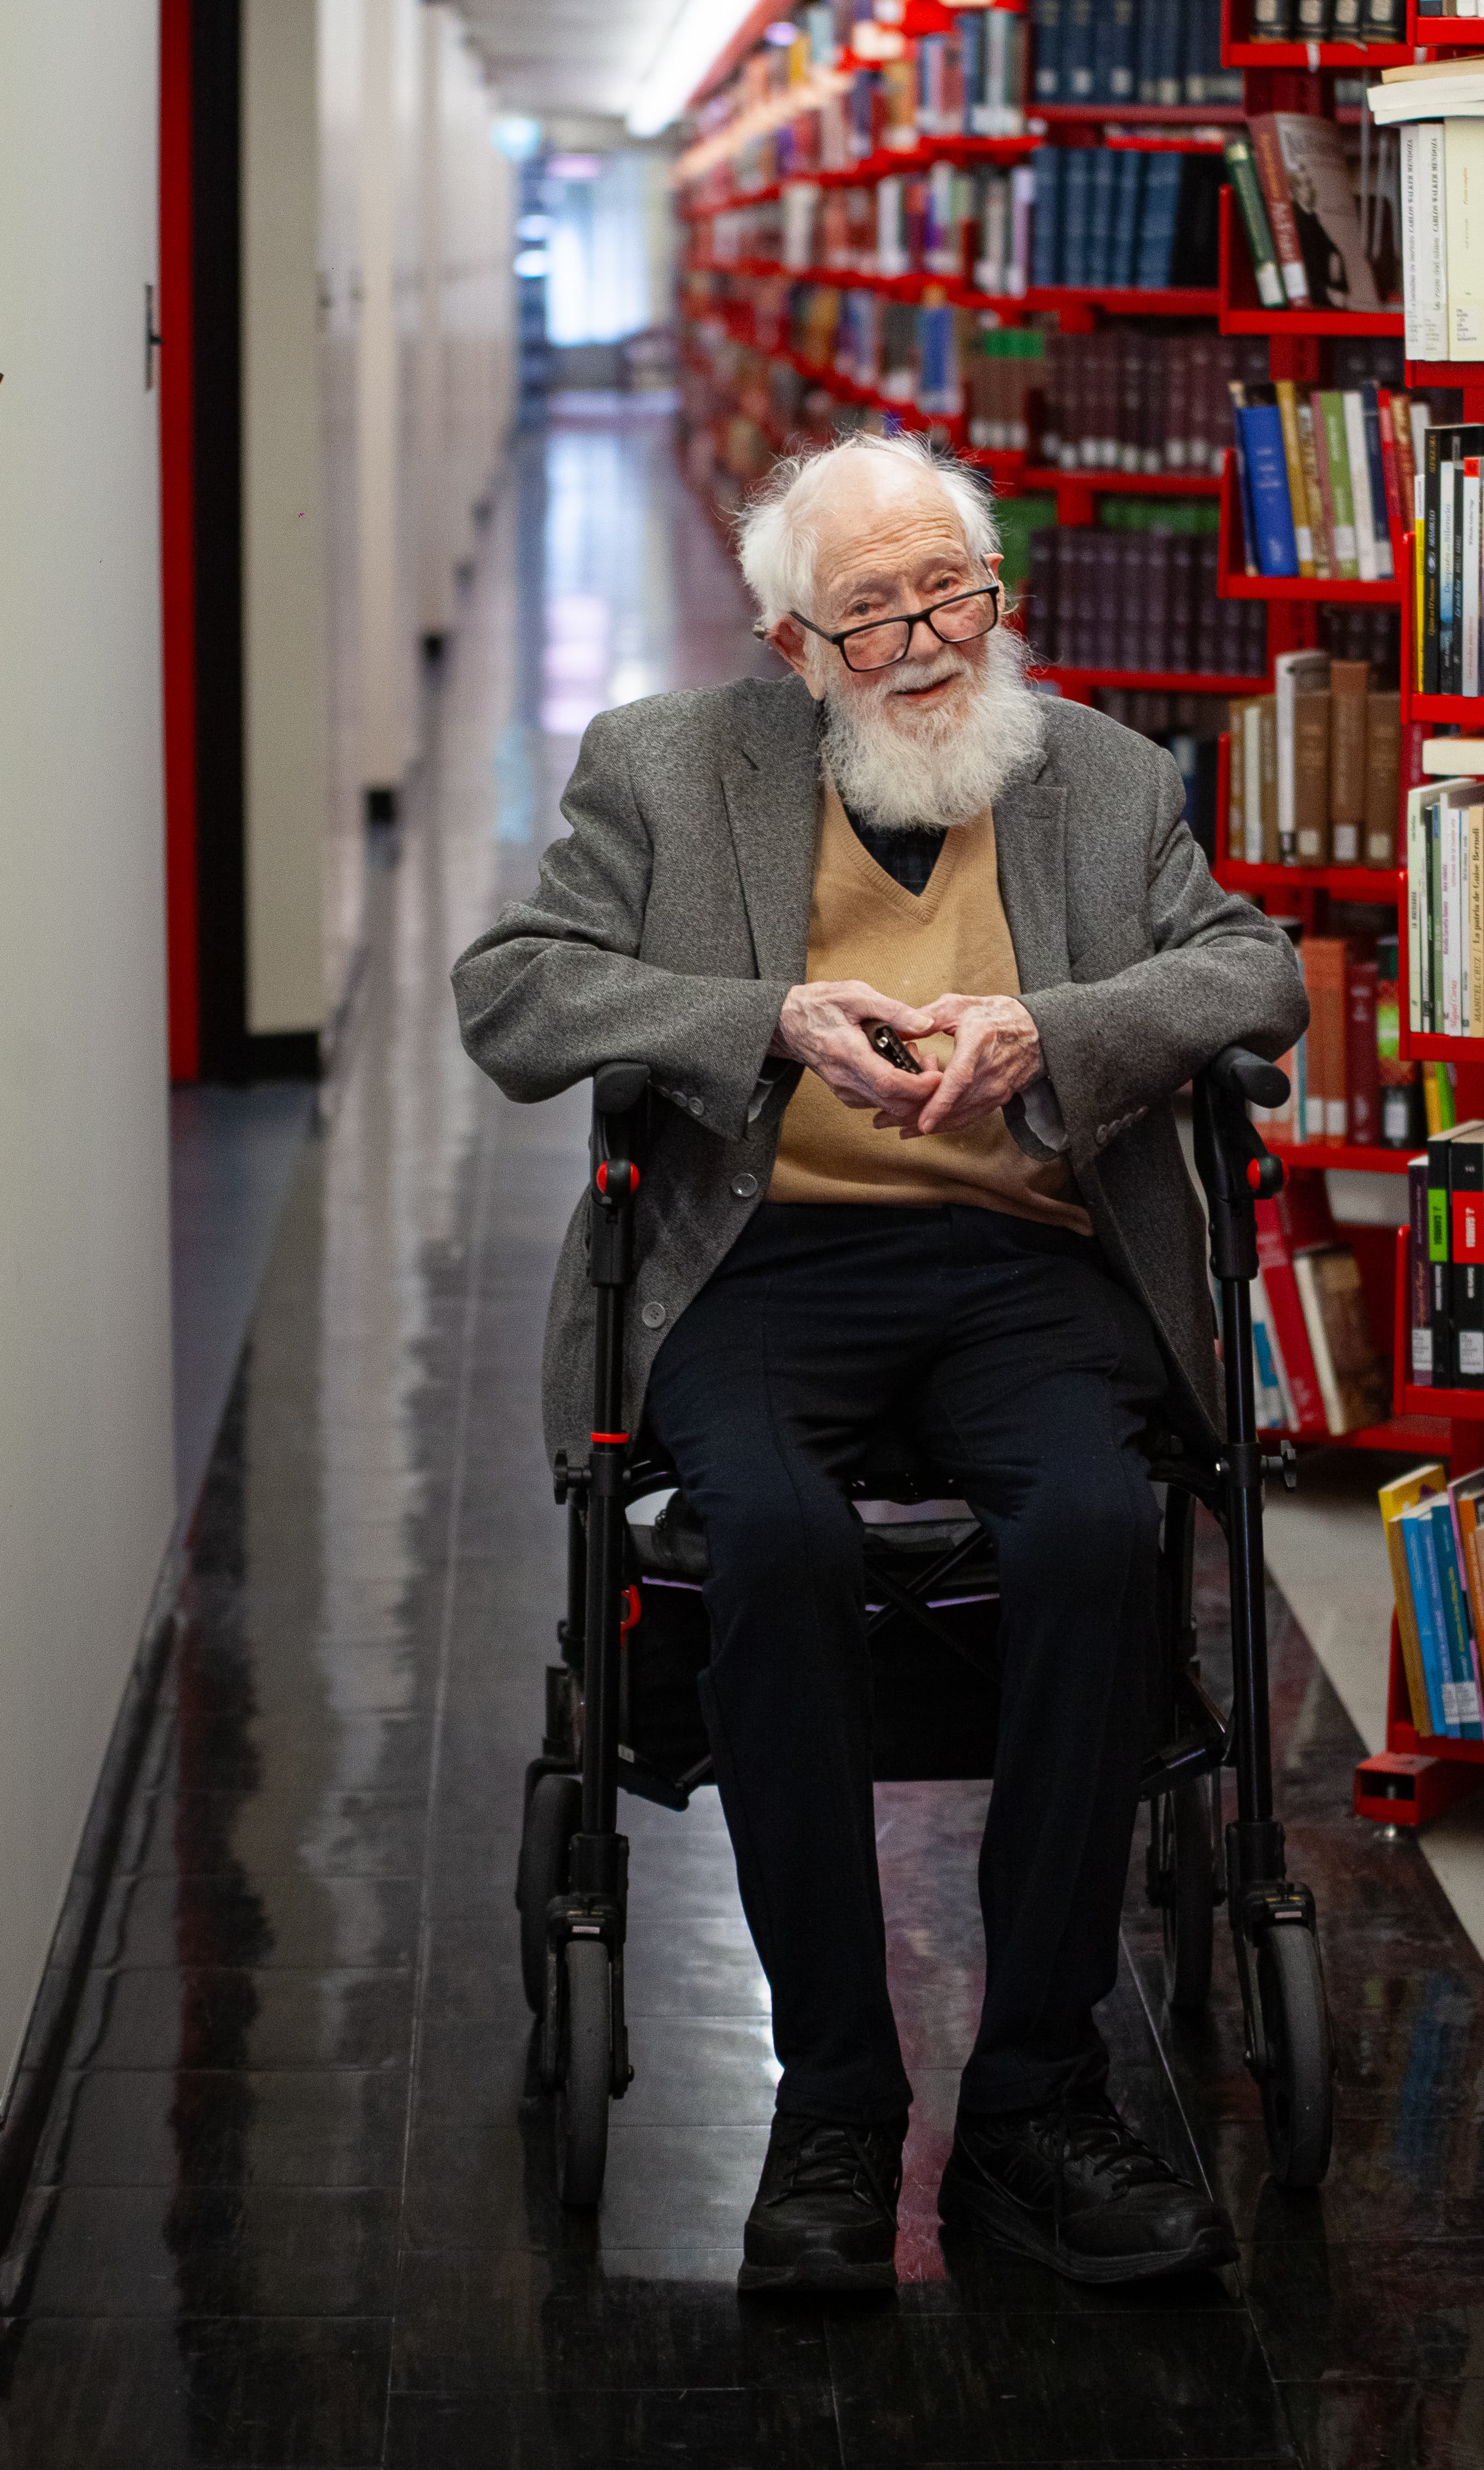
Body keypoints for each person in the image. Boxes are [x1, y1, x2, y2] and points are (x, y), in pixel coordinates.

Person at [453, 432, 1306, 2294]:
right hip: (763, 1262)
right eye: (875, 612)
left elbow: (1254, 978)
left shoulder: (1091, 772)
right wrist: (759, 1020)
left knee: (1096, 1530)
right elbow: (512, 992)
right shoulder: (665, 770)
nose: (927, 639)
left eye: (955, 593)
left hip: (1024, 1259)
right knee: (768, 1537)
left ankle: (1031, 2097)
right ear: (790, 644)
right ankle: (833, 2098)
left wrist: (1049, 1027)